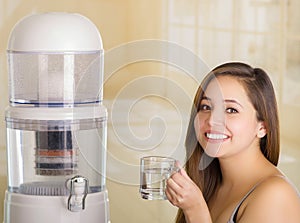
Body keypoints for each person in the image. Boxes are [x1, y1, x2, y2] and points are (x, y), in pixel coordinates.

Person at [165, 62, 300, 223]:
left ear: (262, 127)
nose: (213, 120)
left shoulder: (275, 195)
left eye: (231, 110)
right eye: (206, 106)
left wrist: (195, 210)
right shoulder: (211, 184)